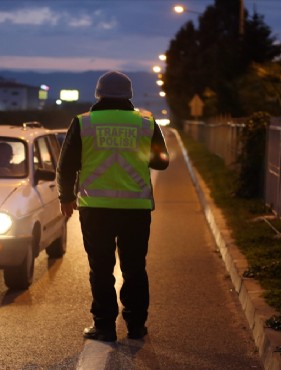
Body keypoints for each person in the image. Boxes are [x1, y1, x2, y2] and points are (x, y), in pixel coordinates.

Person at [57, 71, 169, 342]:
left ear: (99, 94)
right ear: (129, 95)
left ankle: (105, 327)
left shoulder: (84, 122)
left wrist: (66, 198)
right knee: (134, 267)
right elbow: (161, 162)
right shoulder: (145, 122)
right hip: (136, 208)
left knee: (101, 268)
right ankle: (136, 326)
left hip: (96, 208)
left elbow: (67, 165)